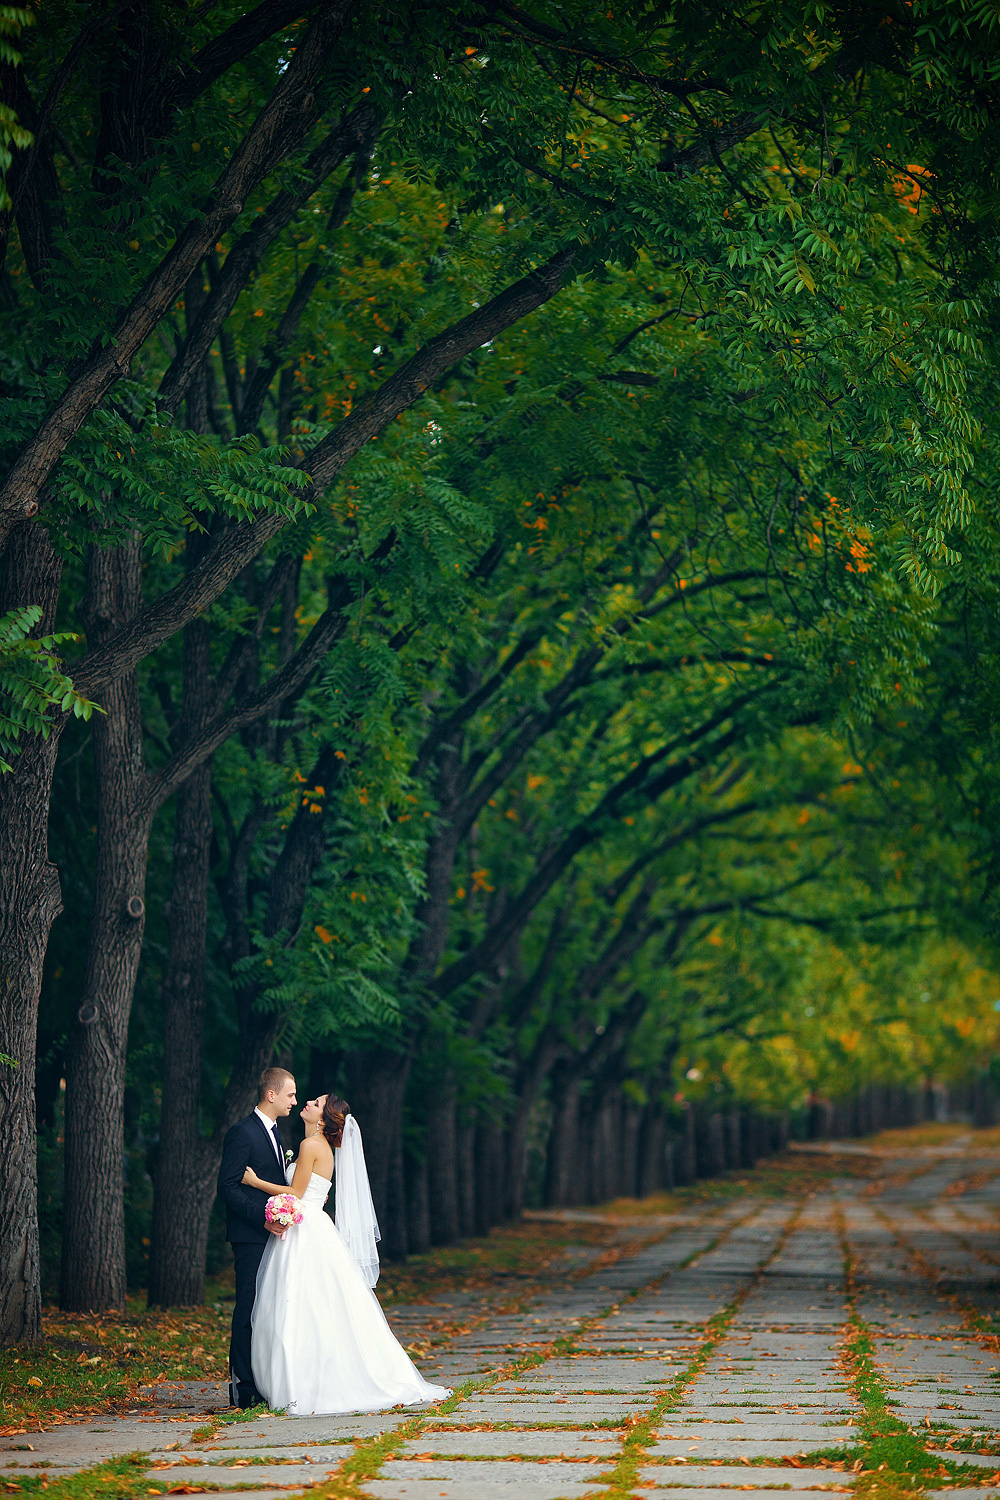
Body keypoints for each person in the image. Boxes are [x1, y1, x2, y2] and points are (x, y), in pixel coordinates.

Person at [242, 1092, 451, 1415]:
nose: (308, 1103)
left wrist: (255, 1182)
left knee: (296, 1304)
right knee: (317, 1305)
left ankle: (300, 1382)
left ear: (323, 1119)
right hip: (315, 1225)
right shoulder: (323, 1148)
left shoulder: (311, 1146)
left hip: (304, 1229)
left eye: (316, 1103)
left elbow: (296, 1194)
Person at [216, 1067, 297, 1409]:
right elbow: (229, 1188)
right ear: (271, 1094)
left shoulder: (276, 1134)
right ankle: (243, 1386)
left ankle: (263, 1379)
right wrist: (264, 1220)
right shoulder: (242, 1133)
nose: (295, 1100)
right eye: (291, 1094)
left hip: (273, 1236)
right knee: (248, 1308)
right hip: (250, 1237)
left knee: (268, 1310)